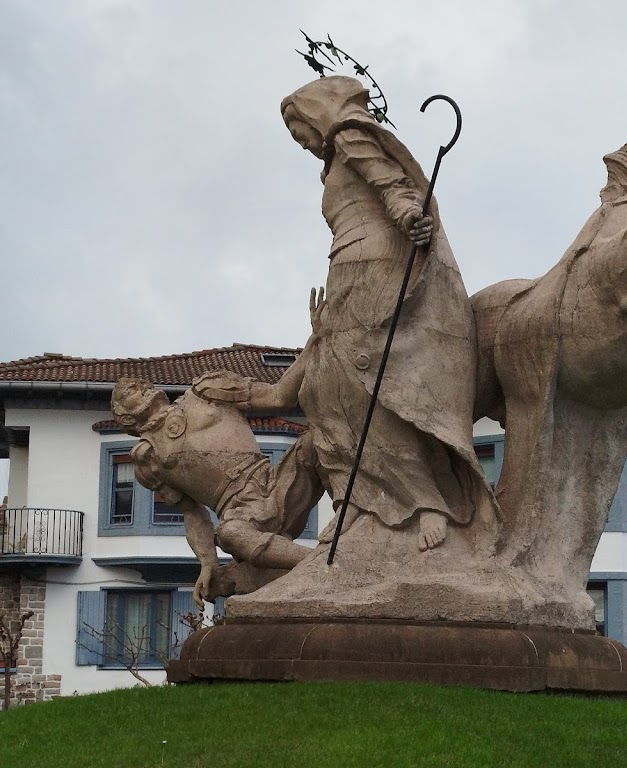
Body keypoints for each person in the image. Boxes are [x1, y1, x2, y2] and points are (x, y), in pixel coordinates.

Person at [280, 76, 494, 553]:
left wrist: (406, 216)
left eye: (301, 134)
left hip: (376, 264)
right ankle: (355, 498)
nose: (305, 145)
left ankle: (426, 501)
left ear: (319, 115)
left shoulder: (349, 135)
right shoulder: (335, 159)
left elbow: (391, 184)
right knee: (322, 391)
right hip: (344, 271)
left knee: (370, 387)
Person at [111, 289, 327, 607]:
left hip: (277, 483)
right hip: (240, 515)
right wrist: (208, 563)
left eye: (137, 382)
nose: (136, 384)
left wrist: (315, 339)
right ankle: (319, 564)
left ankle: (360, 518)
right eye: (125, 390)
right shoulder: (148, 458)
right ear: (125, 417)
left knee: (319, 440)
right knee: (229, 533)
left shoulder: (206, 389)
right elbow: (193, 513)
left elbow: (279, 396)